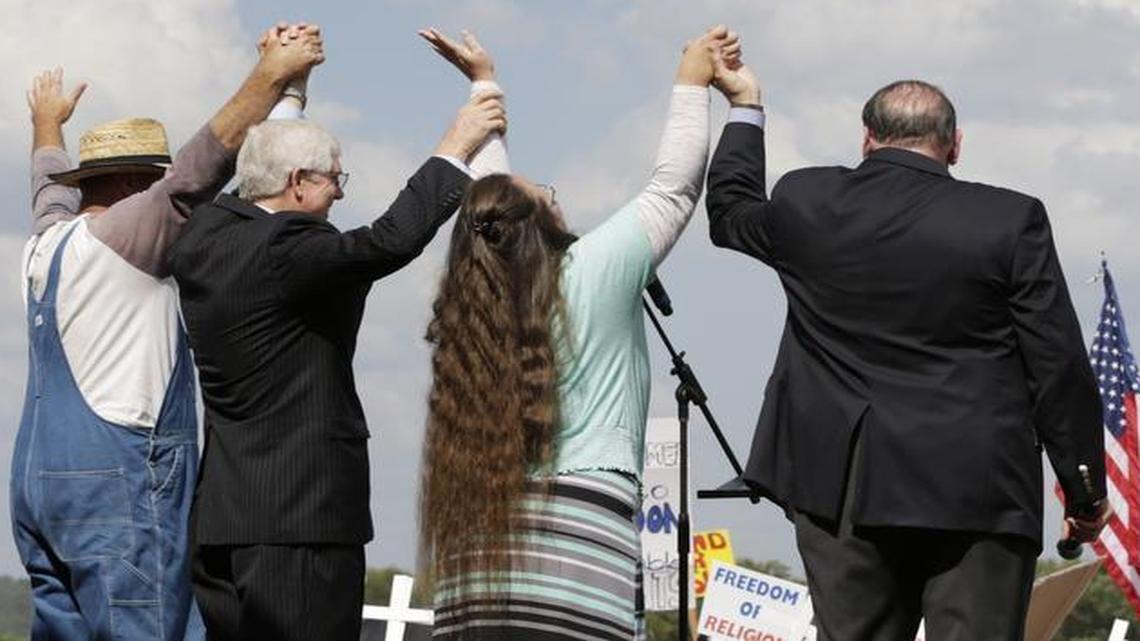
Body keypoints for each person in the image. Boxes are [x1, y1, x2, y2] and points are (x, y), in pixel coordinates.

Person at [704, 58, 1113, 640]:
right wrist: (1084, 489)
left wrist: (746, 108)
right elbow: (1058, 365)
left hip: (842, 488)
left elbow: (729, 212)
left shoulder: (808, 200)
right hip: (979, 490)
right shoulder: (1009, 220)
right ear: (955, 146)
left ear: (867, 138)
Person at [168, 34, 508, 641]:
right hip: (302, 522)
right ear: (298, 182)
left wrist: (290, 86)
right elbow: (387, 241)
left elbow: (261, 169)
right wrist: (458, 145)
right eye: (334, 180)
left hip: (224, 519)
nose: (341, 193)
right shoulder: (292, 250)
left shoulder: (204, 235)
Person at [418, 26, 738, 641]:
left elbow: (494, 203)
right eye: (551, 195)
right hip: (581, 566)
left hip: (475, 571)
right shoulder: (589, 271)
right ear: (544, 225)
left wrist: (485, 82)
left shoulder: (471, 309)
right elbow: (673, 185)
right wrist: (692, 82)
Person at [13, 24, 322, 641]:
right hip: (117, 476)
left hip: (37, 480)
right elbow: (203, 163)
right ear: (132, 186)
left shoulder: (48, 239)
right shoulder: (132, 229)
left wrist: (48, 122)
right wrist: (271, 74)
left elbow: (46, 179)